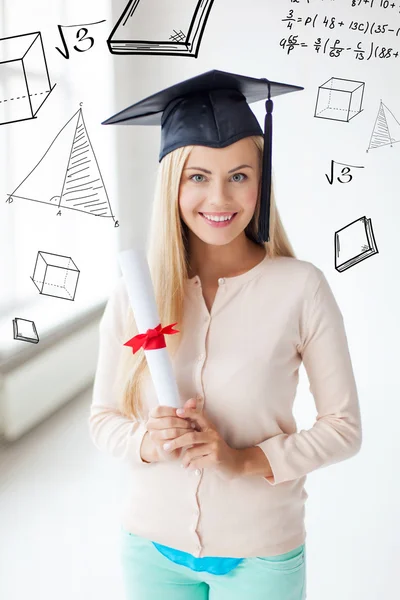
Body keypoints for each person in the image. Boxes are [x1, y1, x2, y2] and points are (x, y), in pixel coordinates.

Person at [89, 70, 362, 600]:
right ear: (172, 182)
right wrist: (149, 440)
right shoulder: (136, 291)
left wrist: (244, 460)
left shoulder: (300, 288)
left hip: (261, 551)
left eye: (239, 175)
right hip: (151, 548)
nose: (219, 196)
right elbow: (104, 420)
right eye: (198, 176)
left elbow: (344, 428)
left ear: (262, 181)